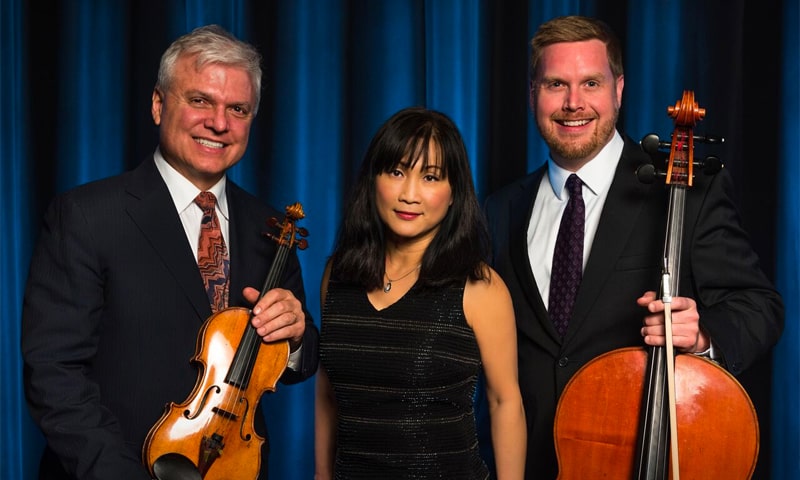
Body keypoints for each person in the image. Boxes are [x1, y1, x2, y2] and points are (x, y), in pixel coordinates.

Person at [481, 15, 784, 479]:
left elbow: (759, 306)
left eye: (591, 83)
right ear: (532, 93)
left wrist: (703, 336)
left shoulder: (687, 190)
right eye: (555, 84)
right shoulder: (500, 209)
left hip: (640, 457)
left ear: (619, 89)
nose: (573, 103)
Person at [21, 25, 319, 480]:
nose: (219, 123)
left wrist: (296, 339)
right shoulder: (85, 215)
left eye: (237, 109)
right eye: (200, 100)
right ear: (159, 105)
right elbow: (54, 372)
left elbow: (295, 366)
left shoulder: (271, 229)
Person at [314, 107, 526, 479]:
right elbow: (328, 392)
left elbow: (503, 401)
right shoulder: (338, 274)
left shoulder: (481, 287)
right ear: (373, 179)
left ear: (453, 194)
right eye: (396, 172)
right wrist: (321, 475)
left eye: (430, 177)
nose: (409, 194)